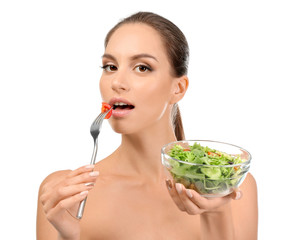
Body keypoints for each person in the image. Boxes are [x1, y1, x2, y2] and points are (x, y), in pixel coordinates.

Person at [36, 12, 258, 240]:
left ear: (178, 88)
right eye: (110, 67)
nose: (117, 82)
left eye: (142, 68)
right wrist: (69, 236)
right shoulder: (62, 196)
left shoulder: (230, 184)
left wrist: (216, 214)